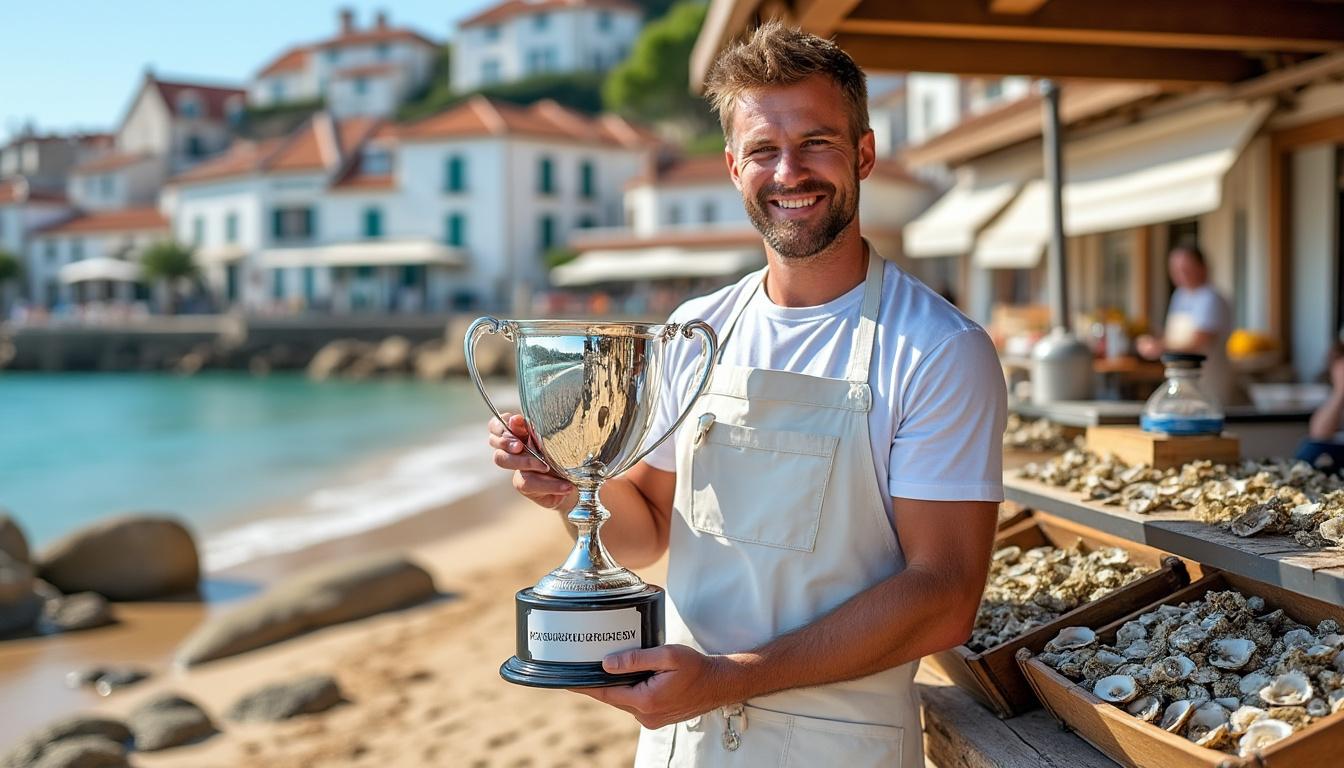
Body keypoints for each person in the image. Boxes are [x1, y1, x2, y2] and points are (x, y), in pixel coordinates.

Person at [488, 22, 1005, 767]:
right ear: (734, 167)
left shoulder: (940, 349)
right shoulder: (696, 329)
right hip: (681, 742)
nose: (788, 172)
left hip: (839, 749)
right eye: (763, 150)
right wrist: (567, 486)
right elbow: (649, 527)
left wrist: (728, 681)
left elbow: (945, 594)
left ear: (863, 153)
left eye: (816, 143)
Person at [1136, 243, 1237, 405]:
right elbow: (1174, 336)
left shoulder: (1211, 298)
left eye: (1186, 268)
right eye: (1175, 269)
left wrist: (1160, 346)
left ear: (1202, 267)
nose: (1180, 274)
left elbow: (1200, 340)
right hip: (1180, 380)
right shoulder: (1180, 295)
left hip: (1207, 380)